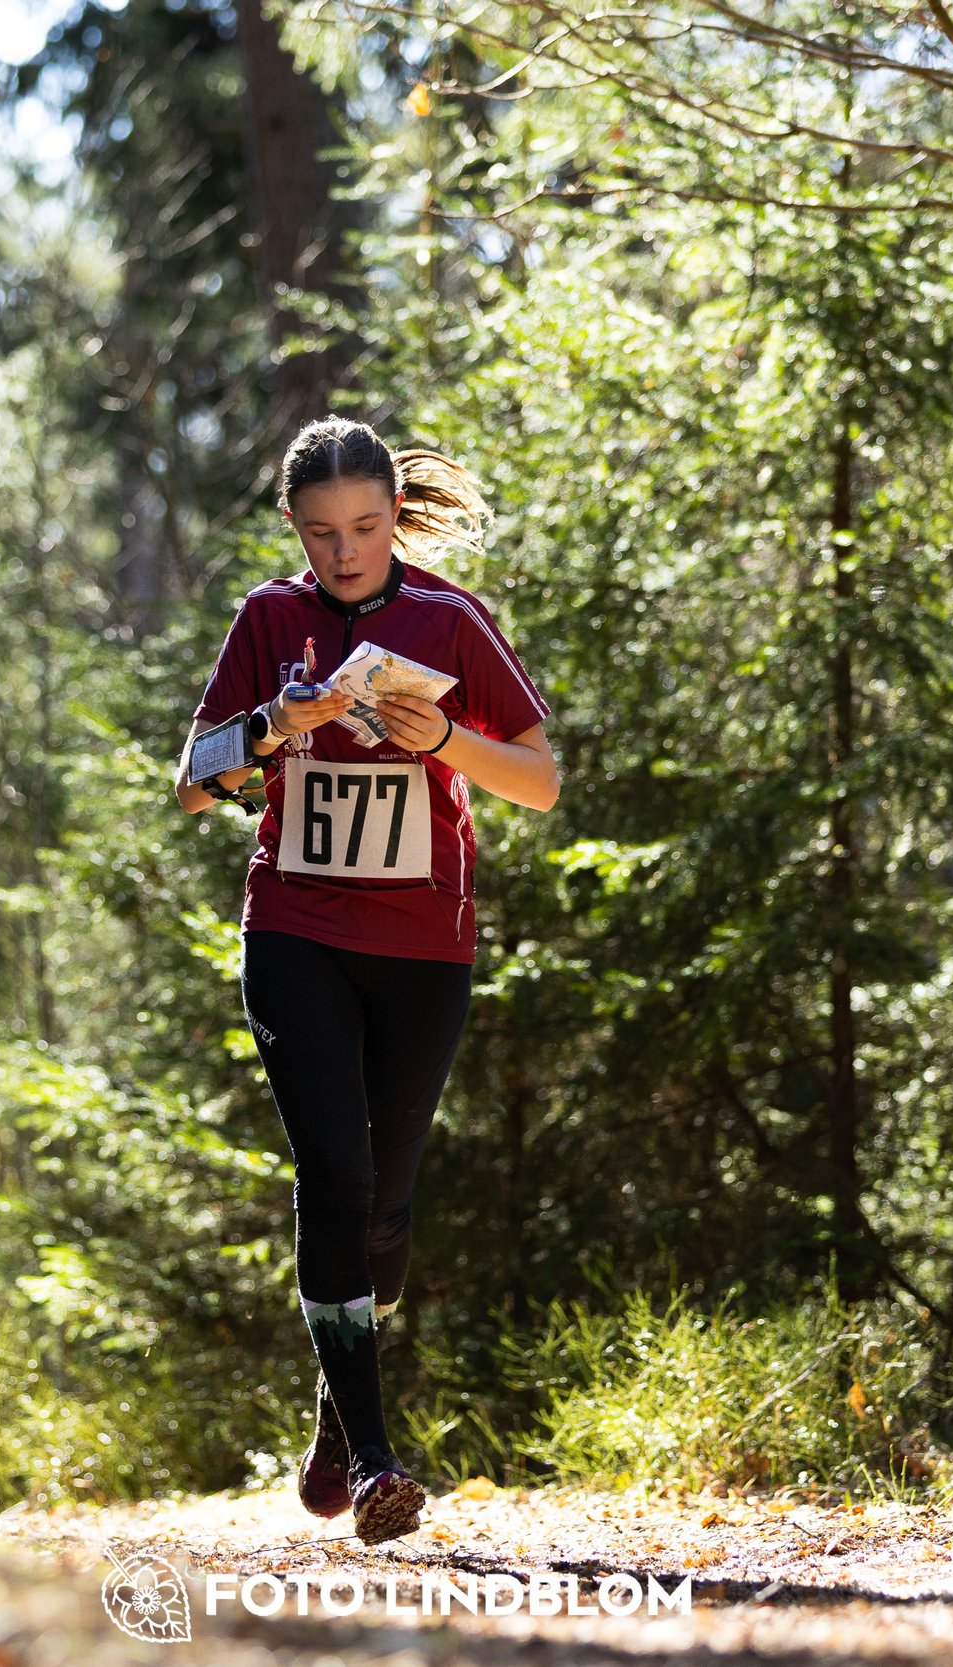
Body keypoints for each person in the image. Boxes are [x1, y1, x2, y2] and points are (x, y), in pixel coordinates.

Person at [175, 417, 559, 1545]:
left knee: (385, 1204)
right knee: (331, 1169)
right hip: (293, 928)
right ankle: (380, 1457)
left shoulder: (448, 619)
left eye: (367, 528)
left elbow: (537, 780)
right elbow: (196, 781)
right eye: (320, 532)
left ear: (397, 517)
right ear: (294, 529)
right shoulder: (267, 619)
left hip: (423, 945)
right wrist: (268, 725)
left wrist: (443, 737)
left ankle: (338, 1411)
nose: (344, 553)